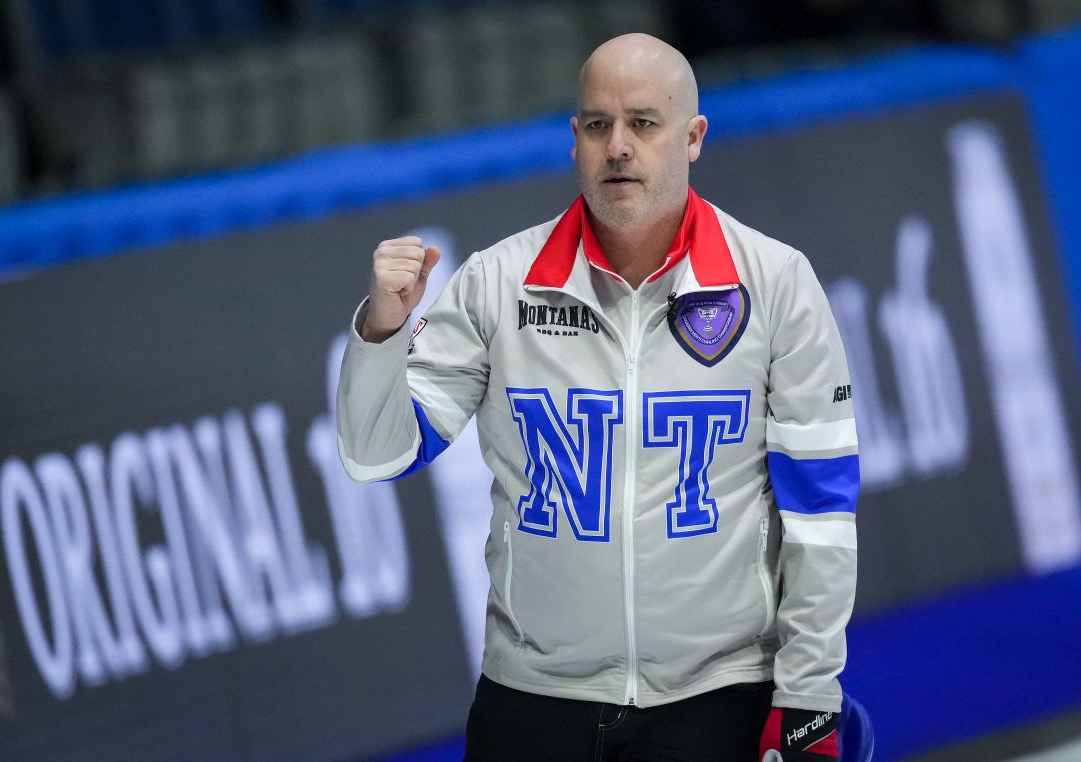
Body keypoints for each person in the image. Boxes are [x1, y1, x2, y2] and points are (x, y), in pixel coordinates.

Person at [338, 33, 858, 762]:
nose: (618, 146)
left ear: (693, 137)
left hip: (719, 703)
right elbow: (374, 453)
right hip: (532, 705)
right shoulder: (498, 283)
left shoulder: (775, 284)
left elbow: (820, 514)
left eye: (644, 123)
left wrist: (809, 697)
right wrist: (382, 333)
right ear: (574, 140)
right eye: (597, 125)